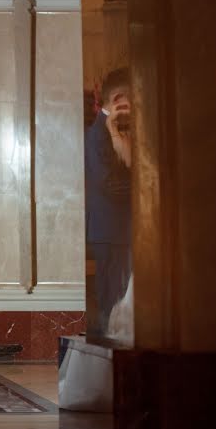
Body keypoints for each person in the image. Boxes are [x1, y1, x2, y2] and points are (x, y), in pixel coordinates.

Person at [84, 67, 132, 338]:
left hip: (116, 230)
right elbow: (110, 184)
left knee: (119, 297)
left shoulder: (111, 127)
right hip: (110, 230)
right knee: (112, 299)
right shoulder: (97, 134)